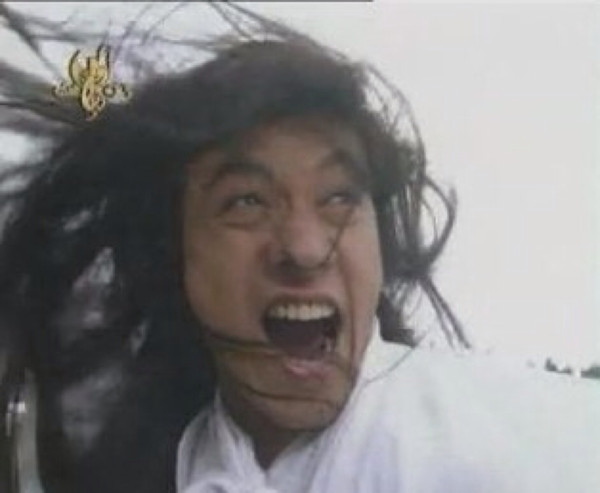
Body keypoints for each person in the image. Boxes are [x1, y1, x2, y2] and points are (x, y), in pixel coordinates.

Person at [0, 3, 597, 493]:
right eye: (247, 202)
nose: (306, 249)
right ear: (173, 251)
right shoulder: (176, 458)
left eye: (339, 197)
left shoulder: (499, 448)